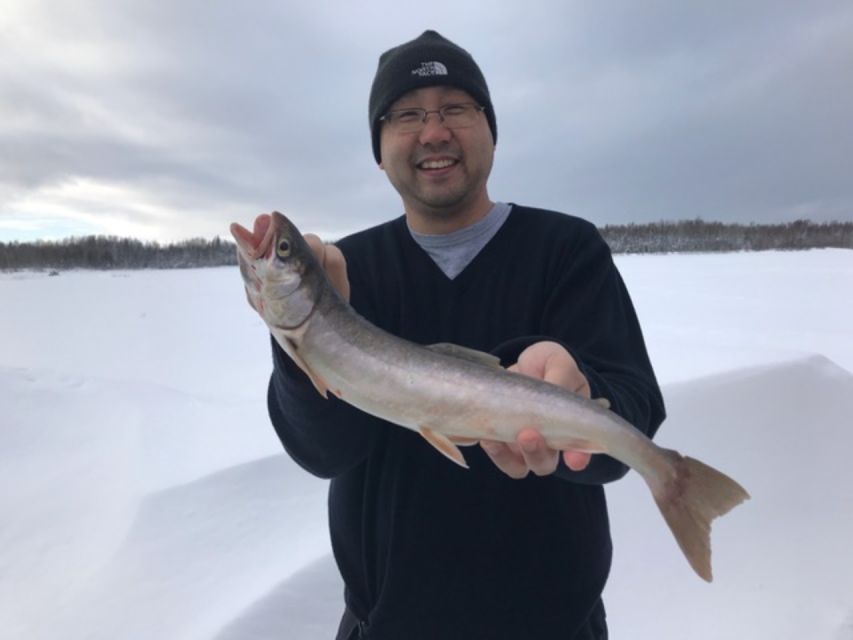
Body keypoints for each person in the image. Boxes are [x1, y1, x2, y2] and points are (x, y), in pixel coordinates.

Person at [244, 30, 665, 639]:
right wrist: (304, 335)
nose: (433, 131)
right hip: (386, 624)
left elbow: (633, 411)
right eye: (407, 114)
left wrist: (579, 388)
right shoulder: (346, 269)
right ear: (379, 146)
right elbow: (322, 452)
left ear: (490, 129)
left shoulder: (567, 249)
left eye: (455, 109)